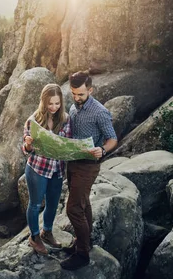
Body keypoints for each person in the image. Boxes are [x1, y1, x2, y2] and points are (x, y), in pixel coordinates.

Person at [60, 71, 118, 270]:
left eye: (81, 94)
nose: (76, 98)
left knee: (73, 209)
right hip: (73, 162)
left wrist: (102, 149)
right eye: (74, 93)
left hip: (88, 166)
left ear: (90, 90)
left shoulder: (100, 111)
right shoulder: (74, 108)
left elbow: (112, 139)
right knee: (83, 205)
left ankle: (82, 255)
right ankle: (84, 241)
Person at [22, 83, 71, 255]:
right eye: (50, 103)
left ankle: (47, 232)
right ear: (43, 101)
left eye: (57, 103)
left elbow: (68, 143)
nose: (53, 107)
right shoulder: (33, 120)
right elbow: (25, 151)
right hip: (37, 169)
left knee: (53, 203)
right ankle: (34, 237)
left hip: (57, 169)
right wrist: (28, 145)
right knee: (35, 204)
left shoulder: (65, 118)